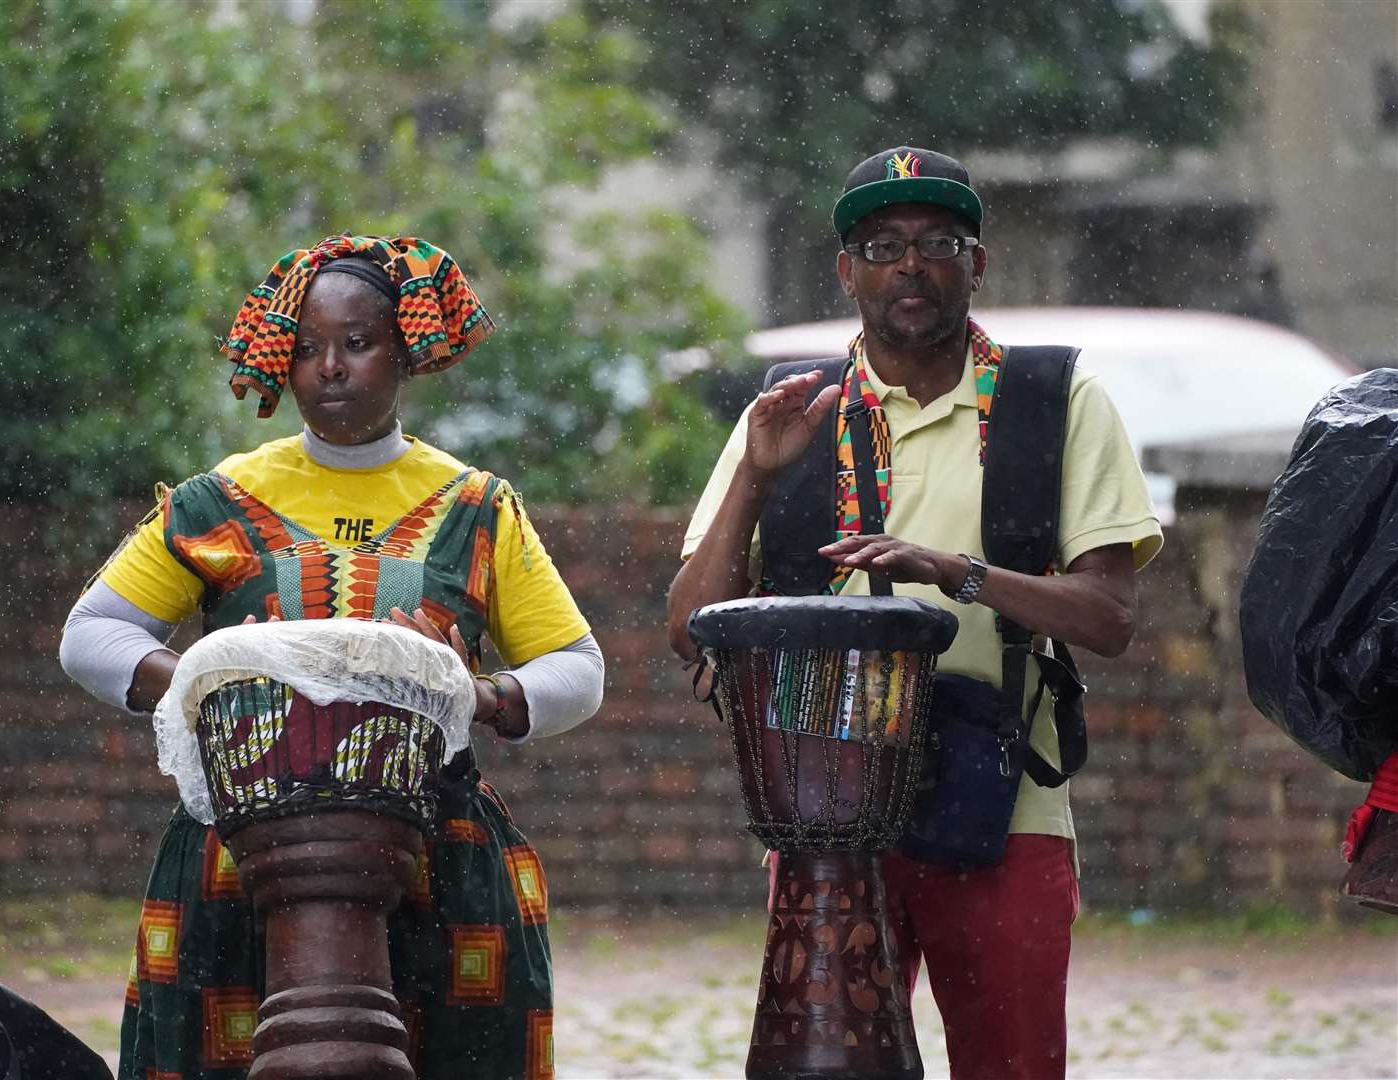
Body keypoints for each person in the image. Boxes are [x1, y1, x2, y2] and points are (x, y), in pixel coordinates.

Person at [668, 148, 1162, 1078]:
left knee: (1011, 1065)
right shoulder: (795, 408)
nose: (910, 265)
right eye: (881, 244)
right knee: (830, 1062)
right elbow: (690, 627)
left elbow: (1109, 616)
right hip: (828, 806)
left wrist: (956, 573)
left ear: (978, 264)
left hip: (1006, 797)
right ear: (845, 271)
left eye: (939, 242)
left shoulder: (1052, 399)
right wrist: (754, 478)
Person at [60, 234, 602, 1080]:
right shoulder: (221, 500)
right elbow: (91, 635)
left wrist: (484, 695)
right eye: (307, 348)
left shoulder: (476, 508)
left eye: (357, 343)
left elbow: (577, 667)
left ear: (406, 352)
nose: (330, 369)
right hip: (239, 859)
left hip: (437, 862)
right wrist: (209, 681)